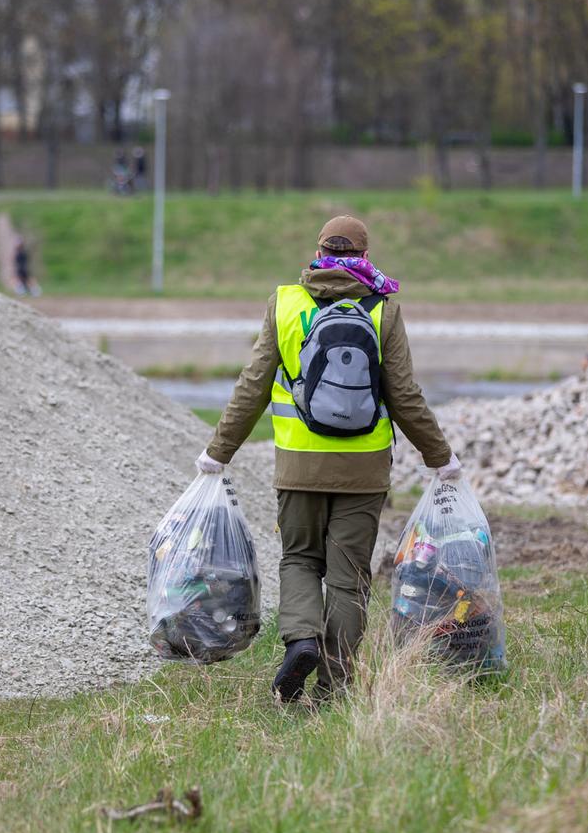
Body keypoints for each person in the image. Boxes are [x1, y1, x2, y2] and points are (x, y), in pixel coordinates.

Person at [195, 215, 460, 704]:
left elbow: (252, 386)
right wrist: (440, 457)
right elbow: (403, 394)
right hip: (363, 469)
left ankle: (300, 640)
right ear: (364, 255)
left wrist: (218, 452)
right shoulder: (382, 309)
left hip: (298, 463)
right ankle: (334, 688)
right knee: (348, 577)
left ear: (319, 251)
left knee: (298, 559)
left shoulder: (286, 303)